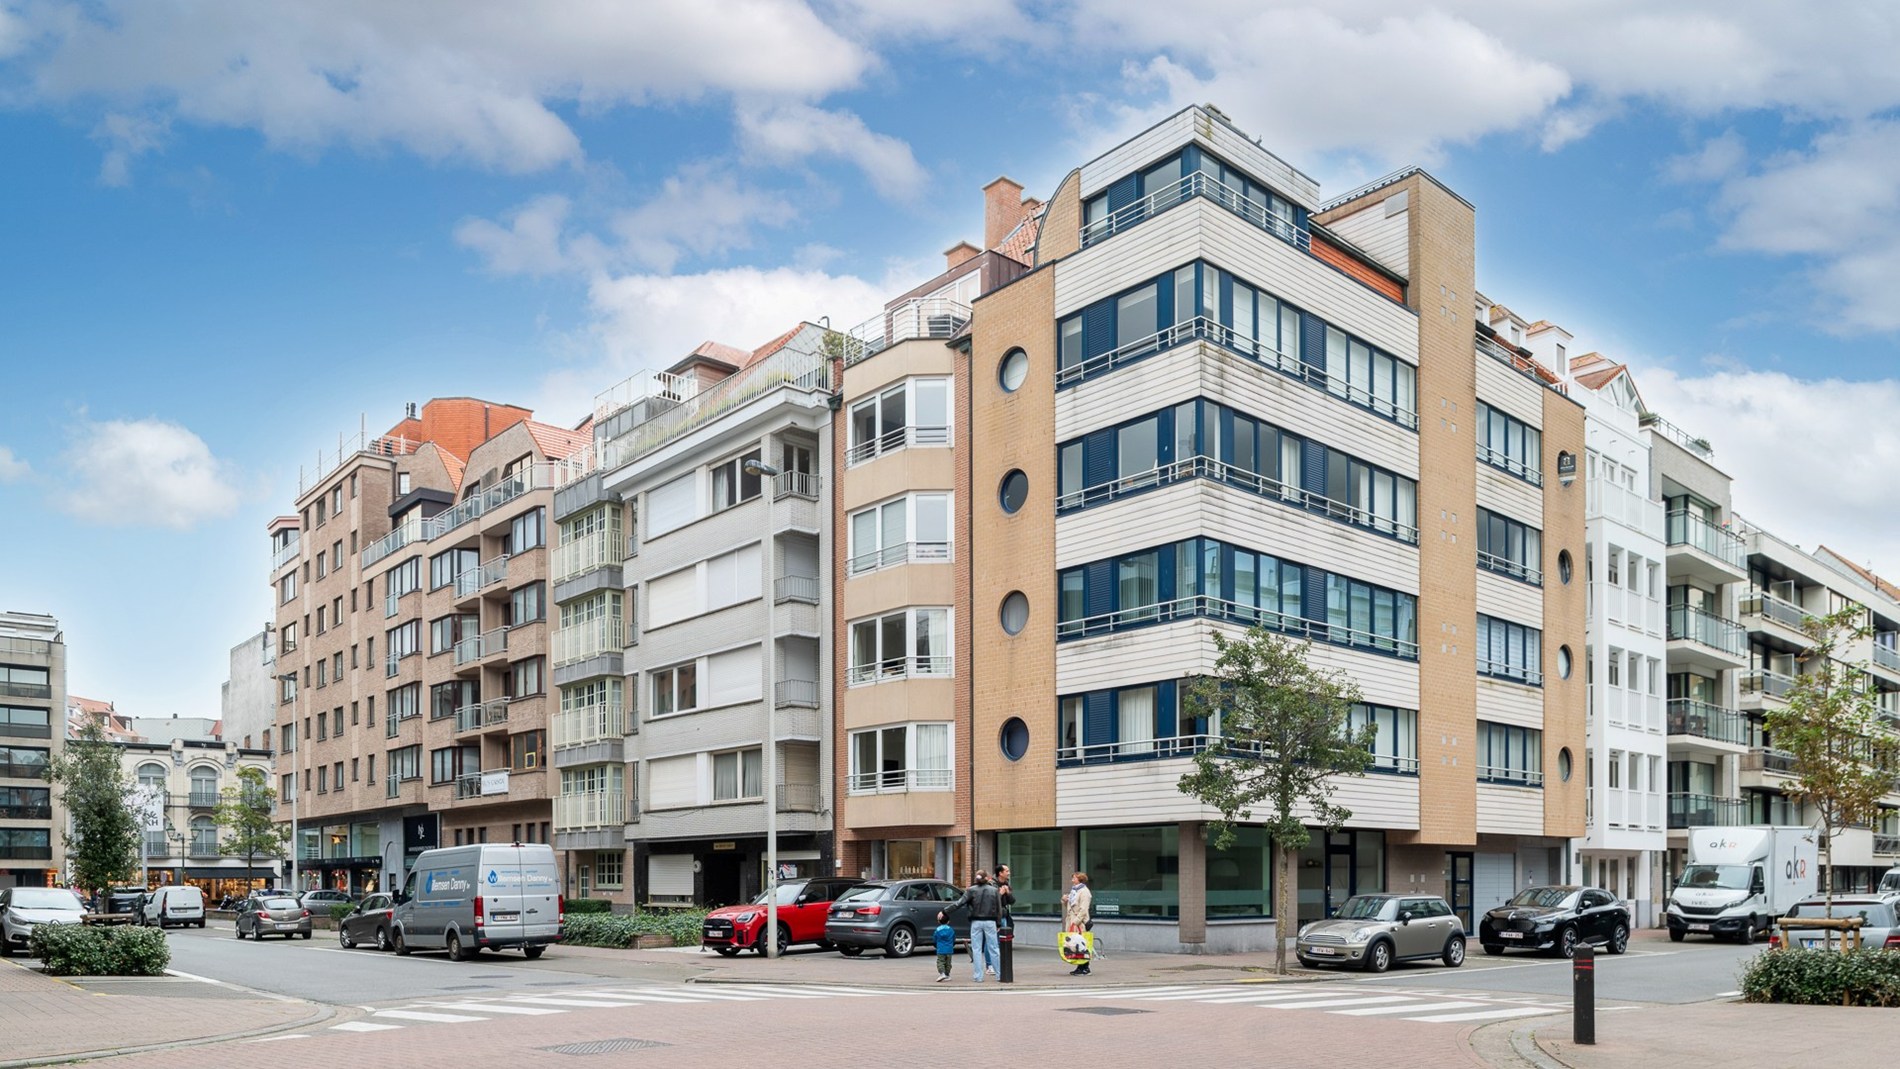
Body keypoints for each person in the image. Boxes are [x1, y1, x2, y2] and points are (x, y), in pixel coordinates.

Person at [944, 870, 1003, 982]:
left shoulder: (971, 890)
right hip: (990, 921)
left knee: (976, 949)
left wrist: (945, 911)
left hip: (976, 921)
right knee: (994, 948)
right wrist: (998, 922)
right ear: (987, 878)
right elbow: (999, 909)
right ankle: (999, 975)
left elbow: (959, 903)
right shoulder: (994, 891)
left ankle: (978, 976)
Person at [1062, 872, 1093, 976]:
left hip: (1079, 923)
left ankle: (1085, 967)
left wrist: (1076, 922)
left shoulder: (1084, 892)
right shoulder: (1074, 891)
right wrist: (1064, 900)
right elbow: (1070, 905)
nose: (1072, 880)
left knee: (1082, 945)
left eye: (1074, 878)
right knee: (1075, 945)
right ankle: (1079, 966)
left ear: (1080, 879)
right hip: (1072, 920)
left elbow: (1084, 909)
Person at [932, 915, 956, 982]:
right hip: (949, 949)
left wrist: (936, 945)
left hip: (940, 949)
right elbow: (954, 938)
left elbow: (934, 939)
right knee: (948, 963)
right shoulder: (951, 930)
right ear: (948, 921)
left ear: (939, 921)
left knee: (940, 961)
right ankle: (947, 974)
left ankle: (942, 973)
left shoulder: (937, 930)